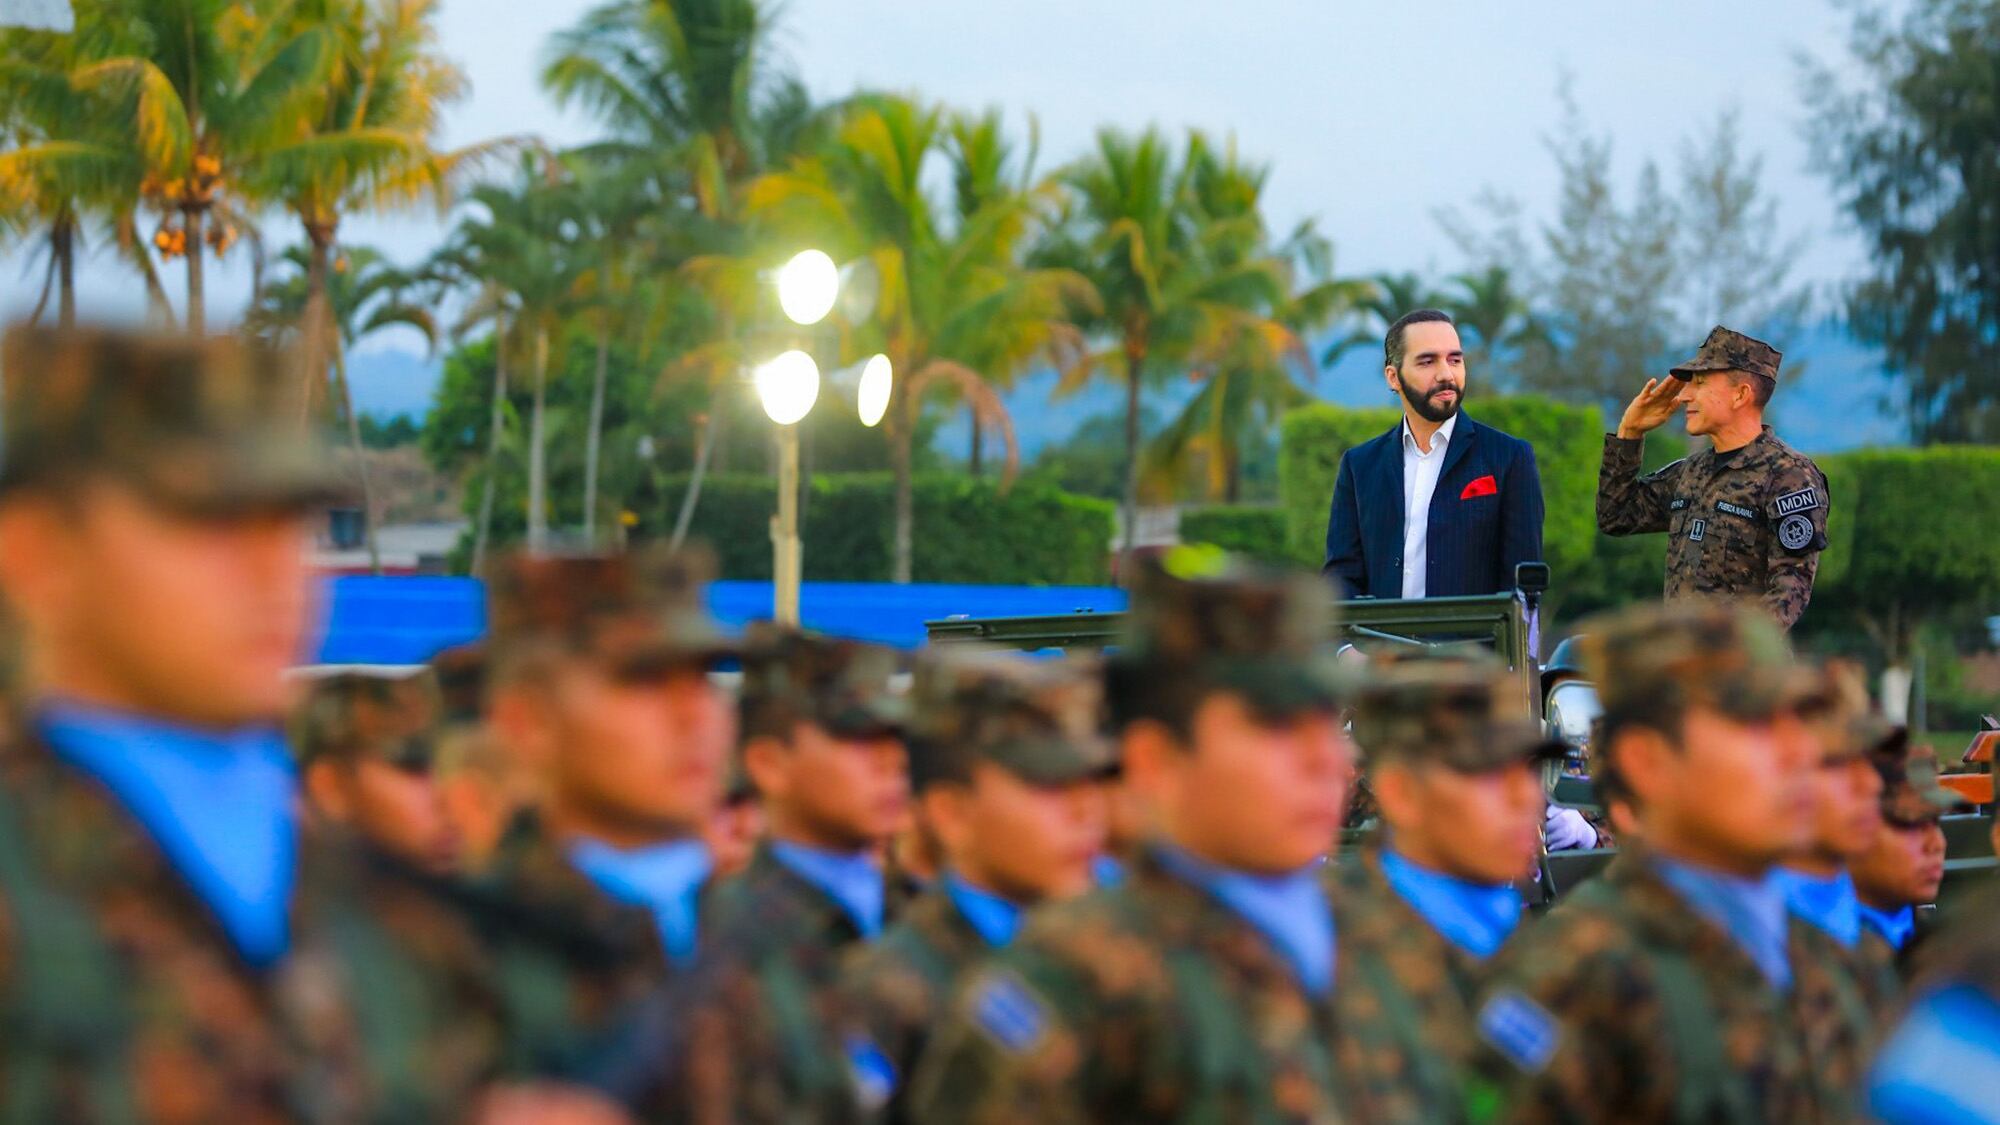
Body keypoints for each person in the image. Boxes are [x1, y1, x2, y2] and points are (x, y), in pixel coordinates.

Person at [0, 324, 392, 1117]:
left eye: (292, 520)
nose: (276, 569)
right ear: (37, 550)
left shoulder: (395, 906)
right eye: (212, 516)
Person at [911, 549, 1354, 1121]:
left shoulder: (1378, 943)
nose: (1327, 759)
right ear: (1155, 761)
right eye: (1277, 727)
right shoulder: (1072, 981)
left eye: (1328, 723)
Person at [1466, 599, 1875, 1122]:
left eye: (1797, 723)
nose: (1798, 754)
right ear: (1648, 761)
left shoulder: (1833, 954)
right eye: (1754, 726)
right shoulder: (1575, 980)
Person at [475, 547, 735, 1089]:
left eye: (704, 676)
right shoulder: (463, 960)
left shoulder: (763, 937)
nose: (694, 715)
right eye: (644, 679)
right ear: (528, 722)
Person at [846, 646, 1112, 1122]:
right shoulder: (890, 989)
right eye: (1048, 786)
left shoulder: (1110, 965)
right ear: (952, 814)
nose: (1085, 811)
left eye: (1091, 782)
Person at [683, 622, 909, 1120]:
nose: (889, 762)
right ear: (770, 764)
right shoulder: (727, 937)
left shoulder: (915, 915)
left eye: (896, 738)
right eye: (856, 737)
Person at [1330, 652, 1565, 1123]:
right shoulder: (1321, 956)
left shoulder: (1540, 943)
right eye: (1488, 772)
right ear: (1402, 793)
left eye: (1527, 769)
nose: (1527, 798)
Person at [1597, 325, 1830, 630]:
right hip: (1682, 656)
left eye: (1700, 383)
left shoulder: (1789, 475)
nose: (1684, 395)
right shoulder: (1692, 471)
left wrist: (1727, 650)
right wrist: (1629, 432)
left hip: (1740, 660)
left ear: (1740, 395)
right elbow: (1616, 516)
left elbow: (1790, 589)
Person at [1324, 308, 1545, 599]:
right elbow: (1341, 577)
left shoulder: (1509, 457)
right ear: (1393, 377)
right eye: (1427, 361)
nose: (1446, 374)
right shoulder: (1359, 466)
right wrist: (1351, 632)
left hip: (1474, 631)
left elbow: (1523, 586)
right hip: (1379, 632)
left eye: (1455, 360)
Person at [1772, 662, 1900, 1014]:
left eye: (1868, 761)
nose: (1870, 784)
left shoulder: (1873, 912)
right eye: (1836, 764)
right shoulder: (1751, 935)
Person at [1853, 734, 1957, 974]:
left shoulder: (1942, 939)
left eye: (1936, 821)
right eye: (1911, 825)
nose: (1936, 844)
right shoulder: (1807, 950)